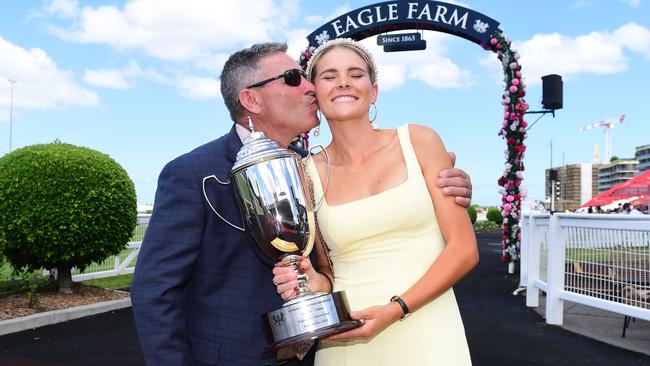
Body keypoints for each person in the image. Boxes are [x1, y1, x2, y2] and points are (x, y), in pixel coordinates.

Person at [131, 42, 474, 366]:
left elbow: (323, 265)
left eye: (355, 74)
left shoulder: (305, 167)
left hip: (329, 345)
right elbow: (155, 289)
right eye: (296, 79)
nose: (310, 88)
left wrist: (433, 190)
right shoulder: (194, 172)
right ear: (251, 99)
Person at [273, 38, 478, 365]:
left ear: (374, 91)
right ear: (316, 94)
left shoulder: (419, 141)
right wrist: (313, 281)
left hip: (428, 328)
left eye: (355, 74)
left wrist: (396, 309)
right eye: (329, 76)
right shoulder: (305, 172)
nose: (343, 82)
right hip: (347, 339)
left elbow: (464, 250)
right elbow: (329, 271)